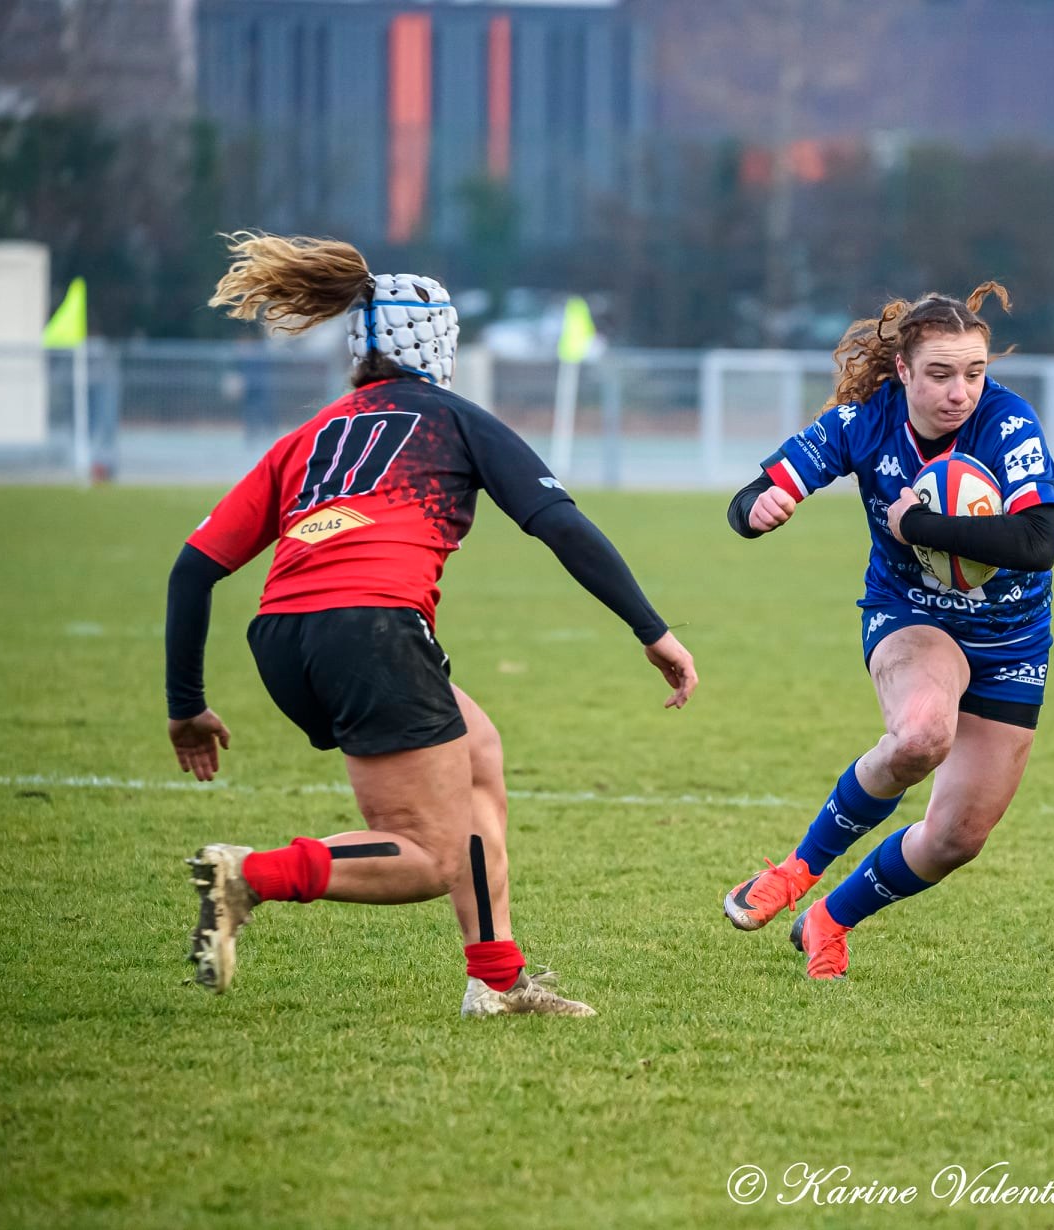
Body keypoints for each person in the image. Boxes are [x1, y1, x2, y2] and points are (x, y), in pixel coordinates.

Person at [167, 231, 697, 1016]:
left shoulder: (307, 437)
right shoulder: (454, 418)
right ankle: (249, 877)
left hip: (283, 637)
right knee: (426, 855)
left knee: (478, 752)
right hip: (371, 633)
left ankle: (496, 978)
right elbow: (561, 524)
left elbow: (194, 569)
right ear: (440, 342)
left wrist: (186, 707)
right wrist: (652, 630)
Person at [719, 283, 1054, 979]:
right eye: (939, 374)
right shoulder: (861, 424)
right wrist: (762, 506)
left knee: (958, 837)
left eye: (974, 373)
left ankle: (828, 919)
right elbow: (750, 493)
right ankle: (793, 872)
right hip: (913, 617)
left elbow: (1039, 541)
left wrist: (919, 525)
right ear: (903, 371)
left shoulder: (1009, 423)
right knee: (921, 736)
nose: (960, 391)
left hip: (1014, 639)